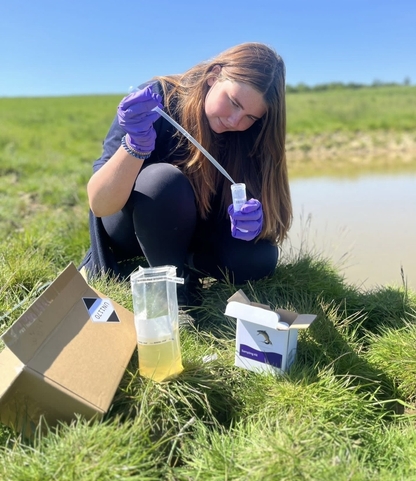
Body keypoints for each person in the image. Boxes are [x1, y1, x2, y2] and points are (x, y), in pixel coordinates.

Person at [79, 42, 293, 304]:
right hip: (131, 226)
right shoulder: (156, 101)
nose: (236, 122)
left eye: (250, 117)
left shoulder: (249, 134)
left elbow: (268, 220)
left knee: (258, 259)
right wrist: (135, 146)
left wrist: (256, 221)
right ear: (213, 77)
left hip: (192, 231)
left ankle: (186, 260)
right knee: (164, 182)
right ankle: (176, 288)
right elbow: (101, 205)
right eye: (234, 103)